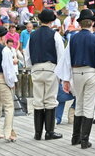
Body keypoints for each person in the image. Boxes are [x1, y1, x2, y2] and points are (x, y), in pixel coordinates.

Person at [55, 9, 95, 149]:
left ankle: (75, 137)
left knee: (78, 103)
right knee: (88, 105)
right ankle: (85, 139)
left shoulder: (73, 38)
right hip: (90, 72)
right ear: (91, 23)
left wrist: (65, 79)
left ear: (80, 23)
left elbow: (66, 59)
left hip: (76, 72)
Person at [24, 9, 65, 141]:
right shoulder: (55, 35)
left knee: (38, 100)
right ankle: (49, 131)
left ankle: (37, 133)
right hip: (50, 67)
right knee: (50, 99)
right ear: (52, 21)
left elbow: (27, 54)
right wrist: (61, 73)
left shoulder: (33, 35)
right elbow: (61, 55)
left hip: (36, 67)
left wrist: (31, 67)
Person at [0, 26, 18, 142]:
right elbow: (7, 68)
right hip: (2, 79)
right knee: (9, 107)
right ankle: (8, 133)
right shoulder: (5, 50)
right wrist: (11, 82)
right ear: (1, 37)